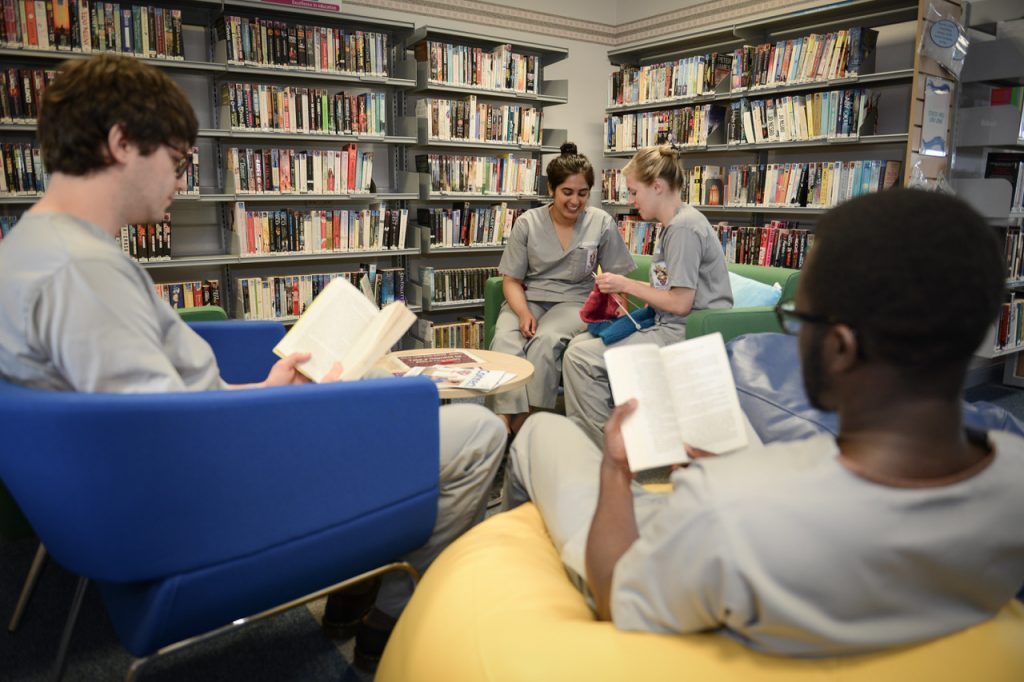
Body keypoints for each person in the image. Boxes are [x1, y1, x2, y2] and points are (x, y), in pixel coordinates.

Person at [0, 54, 504, 669]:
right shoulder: (82, 273)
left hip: (156, 492)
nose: (182, 181)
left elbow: (156, 412)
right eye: (179, 161)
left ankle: (365, 570)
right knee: (476, 431)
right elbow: (173, 442)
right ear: (122, 142)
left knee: (372, 397)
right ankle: (391, 612)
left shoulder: (30, 248)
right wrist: (294, 411)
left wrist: (262, 388)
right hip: (216, 510)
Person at [505, 188, 1024, 655]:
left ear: (839, 349)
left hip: (689, 547)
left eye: (798, 321)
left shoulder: (728, 503)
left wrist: (617, 471)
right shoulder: (1014, 473)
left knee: (539, 433)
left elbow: (617, 593)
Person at [562, 144, 732, 445]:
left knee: (579, 358)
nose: (631, 200)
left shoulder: (683, 229)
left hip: (687, 333)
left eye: (633, 192)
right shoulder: (676, 224)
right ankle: (619, 444)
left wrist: (624, 285)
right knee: (580, 344)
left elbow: (680, 304)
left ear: (657, 187)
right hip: (673, 326)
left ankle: (602, 455)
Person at [489, 142, 634, 434]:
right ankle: (504, 421)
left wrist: (619, 312)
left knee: (545, 341)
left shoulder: (601, 222)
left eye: (583, 193)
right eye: (567, 192)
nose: (575, 201)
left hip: (574, 301)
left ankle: (524, 422)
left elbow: (618, 276)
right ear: (551, 190)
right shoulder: (527, 223)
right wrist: (522, 312)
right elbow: (511, 280)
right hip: (527, 298)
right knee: (506, 340)